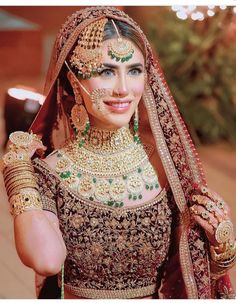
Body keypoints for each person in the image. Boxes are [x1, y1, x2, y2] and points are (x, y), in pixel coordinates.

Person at [1, 6, 236, 299]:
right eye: (106, 71)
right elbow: (46, 260)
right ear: (75, 81)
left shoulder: (167, 168)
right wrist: (17, 173)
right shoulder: (50, 171)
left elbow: (190, 273)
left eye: (134, 70)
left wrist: (221, 243)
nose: (123, 89)